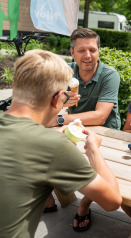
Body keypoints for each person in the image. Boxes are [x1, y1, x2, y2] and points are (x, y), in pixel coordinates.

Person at [0, 49, 122, 237]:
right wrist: (93, 150)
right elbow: (112, 201)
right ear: (58, 99)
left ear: (15, 86)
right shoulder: (52, 145)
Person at [45, 28, 121, 130]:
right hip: (74, 129)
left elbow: (100, 117)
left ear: (98, 51)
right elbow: (42, 104)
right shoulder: (64, 71)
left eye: (92, 50)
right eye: (81, 51)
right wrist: (59, 102)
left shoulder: (110, 75)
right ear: (72, 53)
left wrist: (59, 119)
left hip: (106, 133)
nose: (88, 55)